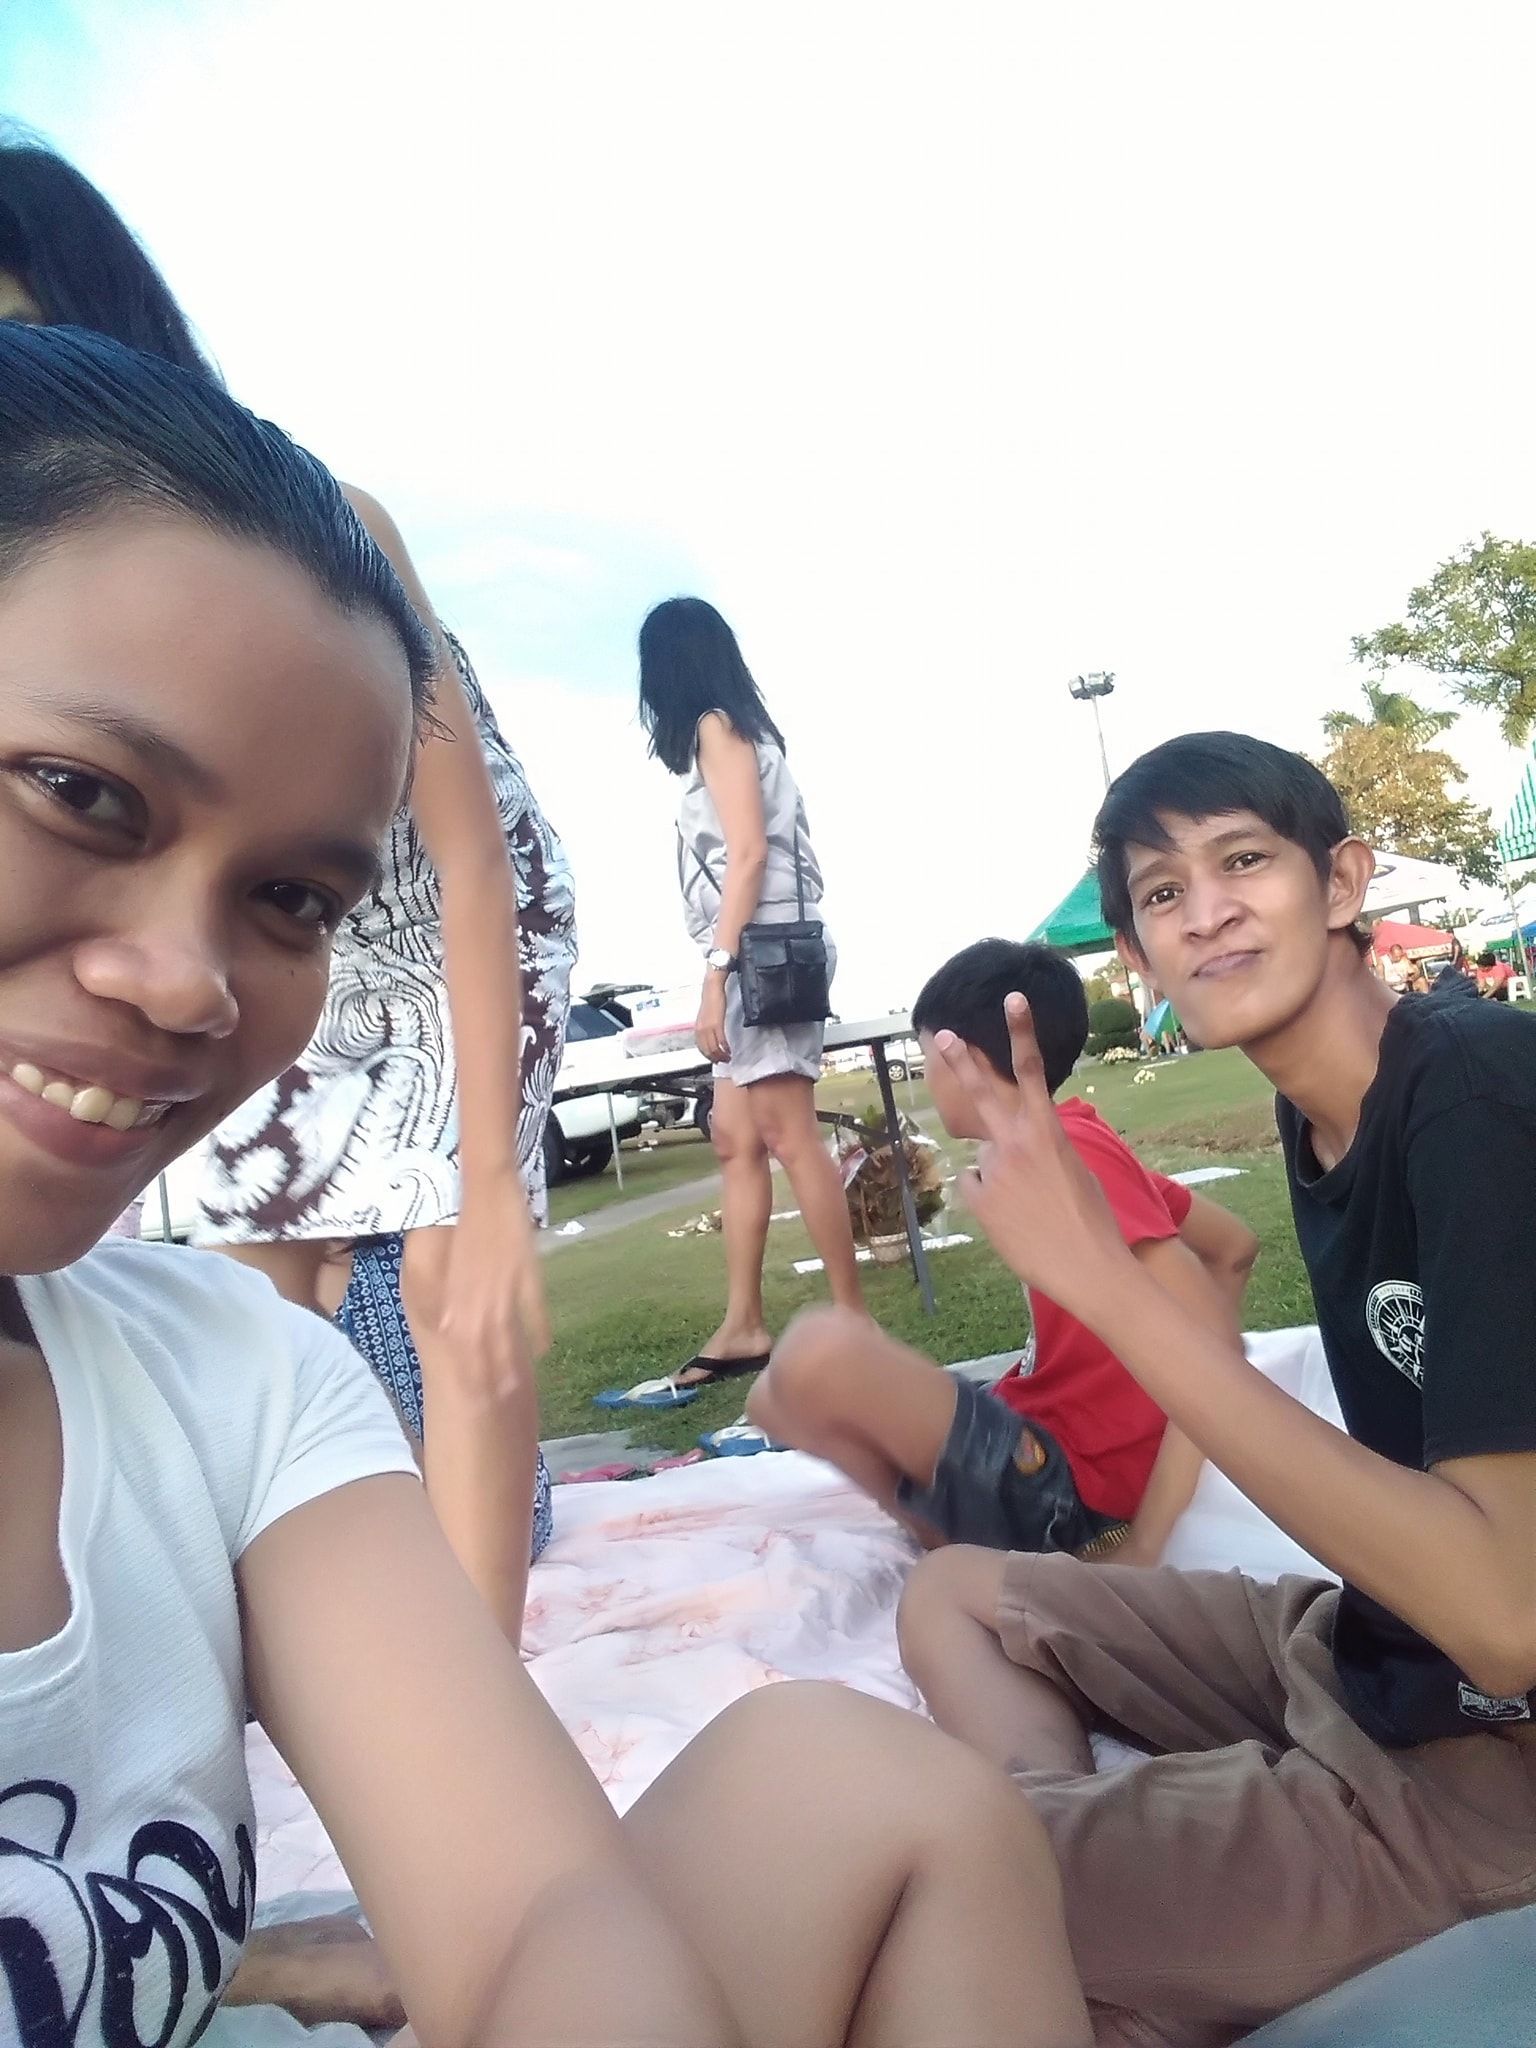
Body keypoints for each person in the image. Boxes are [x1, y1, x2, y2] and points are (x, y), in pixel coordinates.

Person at [0, 322, 1100, 2048]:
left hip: (743, 976)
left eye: (292, 899)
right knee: (763, 1161)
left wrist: (661, 1024)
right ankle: (768, 1321)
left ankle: (774, 1326)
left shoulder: (226, 1371)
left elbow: (535, 1913)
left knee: (869, 1768)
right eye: (80, 795)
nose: (188, 981)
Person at [0, 132, 569, 1638]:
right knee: (245, 1297)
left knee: (454, 1302)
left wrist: (489, 1182)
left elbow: (470, 855)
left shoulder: (320, 531)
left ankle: (481, 1671)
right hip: (253, 938)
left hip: (432, 930)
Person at [897, 731, 1536, 2046]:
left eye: (1243, 860)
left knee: (926, 1888)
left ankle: (1071, 1900)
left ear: (1342, 882)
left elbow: (1507, 1618)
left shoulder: (1472, 1089)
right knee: (954, 1592)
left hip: (1492, 1761)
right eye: (1163, 892)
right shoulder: (1323, 1116)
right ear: (1141, 961)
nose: (1208, 911)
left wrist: (1107, 1282)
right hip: (1371, 1652)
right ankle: (1078, 1862)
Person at [753, 939, 1258, 1564]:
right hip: (1044, 1421)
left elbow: (1215, 1338)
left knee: (818, 1351)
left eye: (925, 1056)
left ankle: (972, 1544)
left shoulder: (1074, 1152)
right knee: (774, 1400)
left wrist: (1150, 1534)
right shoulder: (1066, 1141)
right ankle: (951, 1535)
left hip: (1077, 1482)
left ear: (959, 1056)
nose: (926, 1079)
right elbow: (1234, 1247)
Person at [638, 595, 868, 1387]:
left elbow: (747, 855)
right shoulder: (731, 732)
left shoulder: (718, 727)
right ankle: (743, 1325)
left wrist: (715, 972)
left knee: (786, 1133)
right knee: (736, 1138)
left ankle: (854, 1325)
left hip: (761, 955)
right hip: (755, 951)